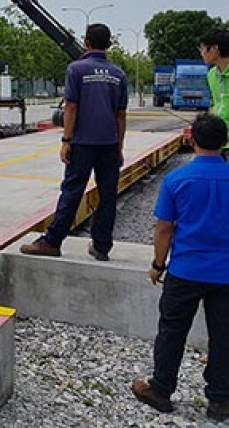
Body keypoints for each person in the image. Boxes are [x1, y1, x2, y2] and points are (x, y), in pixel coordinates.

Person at [131, 112, 229, 421]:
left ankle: (160, 389)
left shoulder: (176, 180)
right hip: (226, 273)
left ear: (192, 140)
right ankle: (220, 401)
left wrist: (158, 265)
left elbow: (164, 229)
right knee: (224, 335)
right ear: (224, 142)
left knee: (172, 330)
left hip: (185, 270)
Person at [20, 23, 128, 261]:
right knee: (108, 194)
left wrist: (66, 140)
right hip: (109, 143)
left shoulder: (76, 69)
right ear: (108, 44)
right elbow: (121, 115)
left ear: (86, 43)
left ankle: (52, 241)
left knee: (72, 191)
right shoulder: (119, 74)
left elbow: (71, 106)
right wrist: (119, 146)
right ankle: (101, 246)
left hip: (82, 142)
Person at [199, 29, 229, 136]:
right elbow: (218, 104)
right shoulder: (211, 75)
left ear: (214, 49)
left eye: (202, 48)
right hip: (218, 142)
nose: (201, 53)